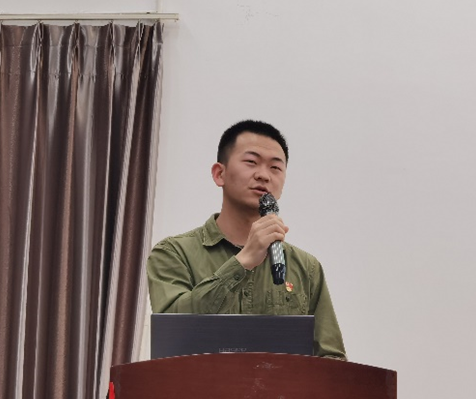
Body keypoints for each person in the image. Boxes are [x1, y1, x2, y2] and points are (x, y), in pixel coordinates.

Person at [146, 120, 346, 359]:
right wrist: (242, 262)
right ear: (219, 174)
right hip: (201, 384)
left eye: (275, 167)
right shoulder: (173, 253)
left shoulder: (306, 267)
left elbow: (331, 359)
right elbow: (172, 334)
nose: (263, 175)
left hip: (280, 385)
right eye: (251, 162)